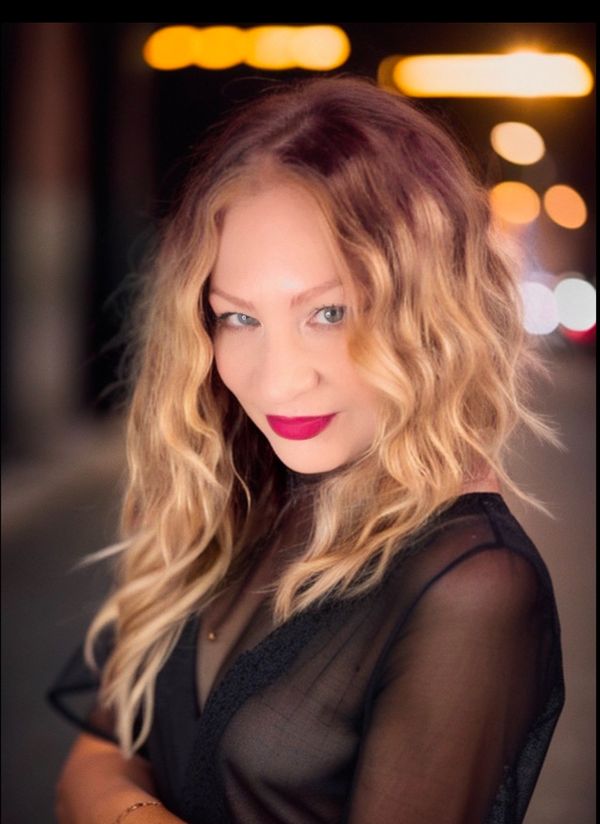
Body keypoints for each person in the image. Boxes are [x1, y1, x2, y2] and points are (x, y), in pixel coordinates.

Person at [47, 73, 566, 824]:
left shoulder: (472, 585)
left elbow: (101, 786)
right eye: (238, 318)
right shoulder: (235, 490)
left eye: (329, 312)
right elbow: (88, 765)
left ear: (430, 311)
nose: (278, 379)